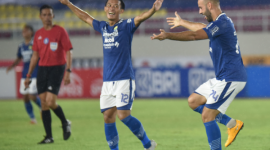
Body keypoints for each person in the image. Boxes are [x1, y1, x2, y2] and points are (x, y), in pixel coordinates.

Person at [58, 0, 163, 149]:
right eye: (109, 5)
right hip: (108, 82)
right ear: (105, 8)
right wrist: (69, 3)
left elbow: (140, 17)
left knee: (123, 116)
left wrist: (153, 9)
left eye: (116, 6)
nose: (112, 8)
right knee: (107, 117)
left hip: (124, 80)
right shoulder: (103, 27)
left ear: (121, 11)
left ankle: (148, 144)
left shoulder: (126, 26)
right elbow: (85, 17)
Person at [151, 0, 247, 149]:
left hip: (231, 77)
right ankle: (232, 124)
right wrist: (182, 22)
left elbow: (194, 36)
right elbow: (201, 28)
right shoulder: (220, 23)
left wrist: (169, 35)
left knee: (207, 115)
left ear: (209, 5)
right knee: (194, 101)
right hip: (222, 77)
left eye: (201, 8)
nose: (200, 12)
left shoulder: (222, 23)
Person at [24, 5, 73, 144]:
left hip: (57, 68)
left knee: (51, 101)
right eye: (44, 15)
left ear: (53, 16)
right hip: (42, 69)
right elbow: (35, 56)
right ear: (40, 17)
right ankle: (49, 137)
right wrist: (28, 75)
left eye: (49, 14)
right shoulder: (38, 34)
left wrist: (68, 71)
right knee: (44, 104)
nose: (47, 17)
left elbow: (69, 50)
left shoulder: (60, 31)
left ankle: (65, 122)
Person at [6, 25, 41, 124]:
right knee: (25, 97)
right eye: (23, 31)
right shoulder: (21, 46)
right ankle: (33, 118)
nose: (24, 32)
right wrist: (12, 66)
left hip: (35, 73)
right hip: (24, 74)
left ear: (31, 32)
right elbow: (19, 58)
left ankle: (42, 108)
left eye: (26, 30)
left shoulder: (35, 43)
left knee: (32, 96)